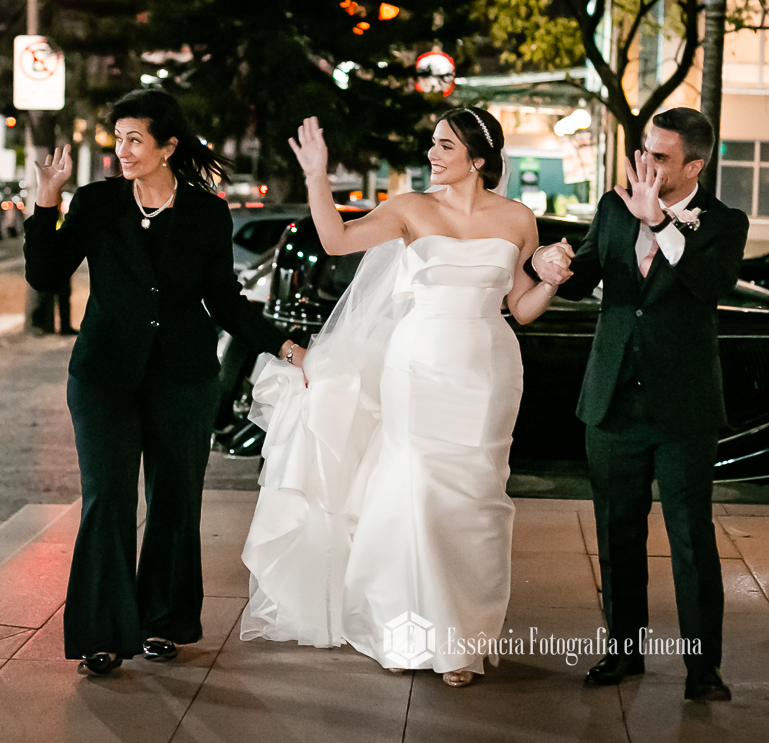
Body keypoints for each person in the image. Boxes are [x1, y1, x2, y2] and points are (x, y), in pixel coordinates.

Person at [240, 108, 561, 688]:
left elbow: (521, 307)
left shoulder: (517, 218)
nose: (433, 154)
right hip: (417, 366)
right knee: (413, 490)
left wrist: (552, 283)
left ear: (479, 159)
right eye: (432, 142)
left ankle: (461, 641)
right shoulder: (411, 208)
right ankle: (400, 632)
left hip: (488, 369)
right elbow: (336, 240)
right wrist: (316, 175)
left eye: (446, 145)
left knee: (475, 499)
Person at [25, 89, 302, 677]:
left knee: (175, 500)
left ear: (168, 146)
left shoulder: (205, 211)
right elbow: (46, 275)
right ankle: (101, 632)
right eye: (118, 139)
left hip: (182, 377)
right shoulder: (98, 203)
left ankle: (164, 620)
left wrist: (281, 344)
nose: (122, 151)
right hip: (104, 376)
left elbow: (223, 298)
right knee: (108, 498)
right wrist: (47, 203)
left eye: (135, 139)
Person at [531, 108, 748, 701]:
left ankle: (702, 670)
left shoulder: (725, 222)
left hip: (684, 409)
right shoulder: (611, 207)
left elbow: (711, 285)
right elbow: (581, 276)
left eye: (660, 156)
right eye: (644, 149)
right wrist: (548, 263)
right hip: (612, 403)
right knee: (616, 534)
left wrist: (660, 223)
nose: (644, 163)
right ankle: (624, 653)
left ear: (694, 167)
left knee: (690, 539)